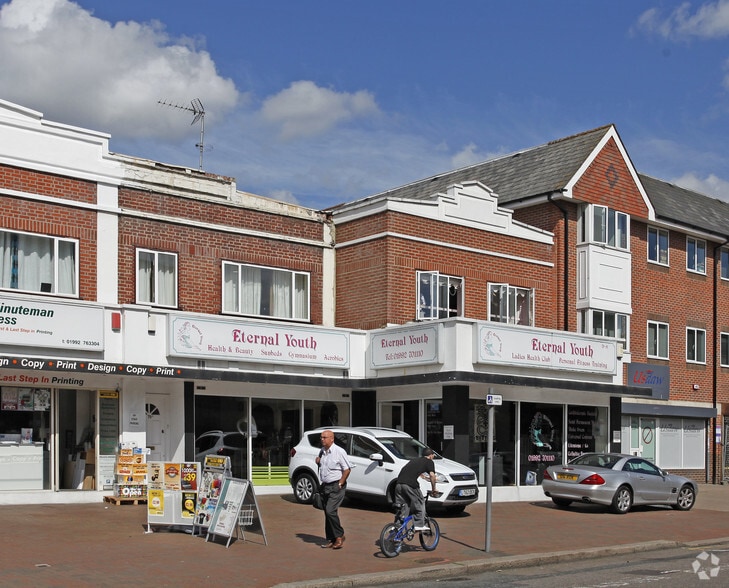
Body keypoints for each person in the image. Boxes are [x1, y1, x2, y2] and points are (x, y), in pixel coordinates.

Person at [315, 429, 351, 550]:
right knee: (327, 512)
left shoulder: (339, 451)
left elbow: (347, 469)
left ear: (332, 439)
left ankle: (339, 536)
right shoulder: (322, 451)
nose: (322, 439)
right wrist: (318, 462)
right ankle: (331, 539)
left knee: (330, 510)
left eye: (324, 437)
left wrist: (340, 483)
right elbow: (324, 467)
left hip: (336, 485)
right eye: (321, 437)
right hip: (325, 486)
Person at [394, 448, 438, 531]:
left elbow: (412, 470)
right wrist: (434, 489)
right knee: (420, 502)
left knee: (404, 507)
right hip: (410, 485)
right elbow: (432, 475)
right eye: (433, 456)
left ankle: (396, 529)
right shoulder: (429, 461)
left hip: (399, 484)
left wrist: (424, 477)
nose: (433, 458)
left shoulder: (415, 460)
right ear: (430, 455)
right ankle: (419, 524)